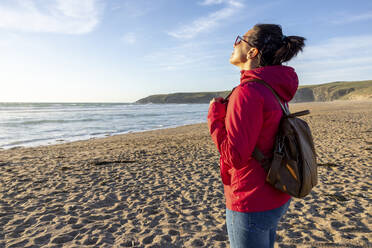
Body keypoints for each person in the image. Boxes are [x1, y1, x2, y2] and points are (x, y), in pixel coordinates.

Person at [207, 24, 306, 248]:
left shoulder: (248, 92)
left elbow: (234, 157)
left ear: (253, 52)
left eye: (239, 40)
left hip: (251, 199)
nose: (234, 45)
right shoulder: (272, 88)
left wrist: (214, 116)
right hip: (276, 191)